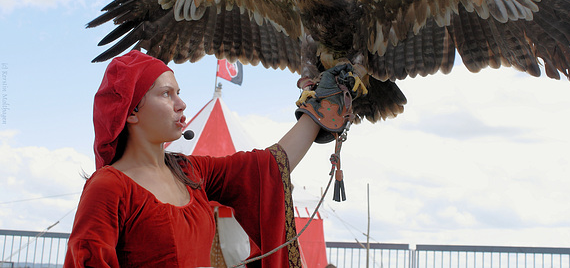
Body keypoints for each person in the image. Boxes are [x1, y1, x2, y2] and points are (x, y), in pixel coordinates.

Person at [64, 50, 356, 268]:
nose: (181, 104)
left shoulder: (190, 171)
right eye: (166, 94)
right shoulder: (109, 187)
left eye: (179, 93)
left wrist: (320, 108)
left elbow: (267, 167)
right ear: (131, 111)